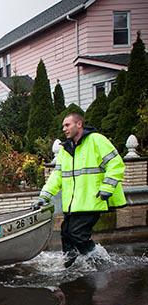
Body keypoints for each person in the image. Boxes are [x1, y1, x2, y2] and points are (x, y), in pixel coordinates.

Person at [31, 112, 126, 267]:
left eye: (67, 125)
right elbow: (57, 176)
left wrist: (107, 187)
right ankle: (69, 264)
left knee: (77, 234)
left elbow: (116, 164)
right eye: (63, 126)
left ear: (79, 124)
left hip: (92, 200)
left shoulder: (96, 140)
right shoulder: (65, 149)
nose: (64, 129)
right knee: (67, 233)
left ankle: (100, 261)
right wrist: (44, 197)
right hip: (73, 203)